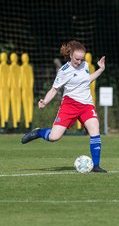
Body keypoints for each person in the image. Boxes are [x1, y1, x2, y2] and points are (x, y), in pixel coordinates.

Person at [21, 40, 107, 173]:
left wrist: (101, 69)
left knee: (95, 130)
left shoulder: (84, 65)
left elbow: (87, 80)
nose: (79, 62)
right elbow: (55, 89)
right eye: (77, 59)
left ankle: (96, 166)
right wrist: (45, 101)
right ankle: (39, 132)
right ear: (71, 55)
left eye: (81, 59)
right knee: (54, 137)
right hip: (69, 105)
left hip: (86, 105)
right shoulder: (64, 71)